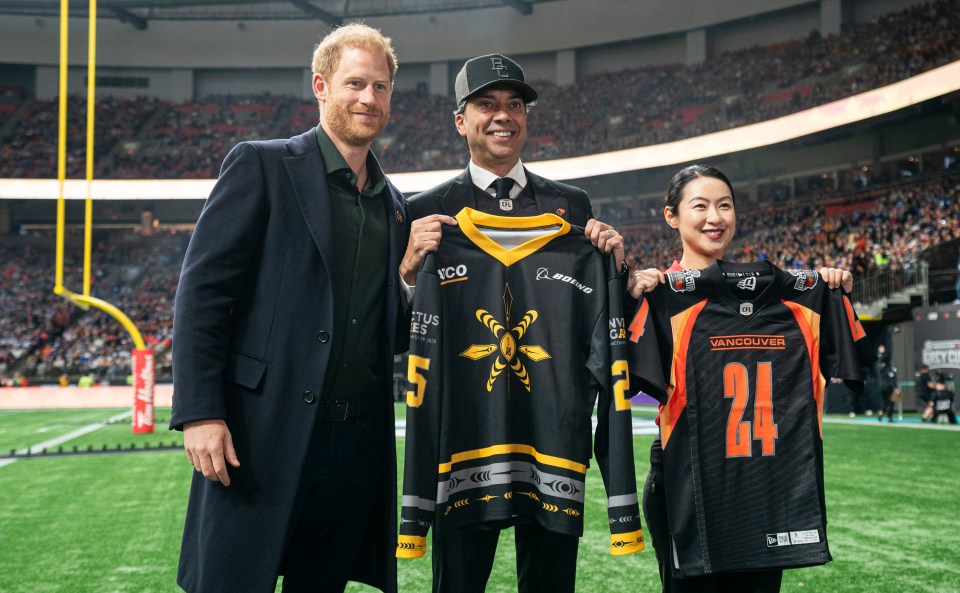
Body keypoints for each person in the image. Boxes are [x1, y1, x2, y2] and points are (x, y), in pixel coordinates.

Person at [170, 24, 408, 593]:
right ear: (321, 86)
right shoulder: (261, 165)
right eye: (355, 83)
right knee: (230, 582)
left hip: (354, 444)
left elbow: (387, 332)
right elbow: (203, 293)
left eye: (380, 87)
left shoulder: (393, 203)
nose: (369, 99)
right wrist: (201, 411)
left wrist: (411, 288)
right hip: (261, 431)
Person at [397, 54, 633, 593]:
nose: (503, 115)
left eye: (514, 105)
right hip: (463, 440)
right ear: (461, 120)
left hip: (551, 438)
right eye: (486, 104)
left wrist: (617, 266)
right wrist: (408, 276)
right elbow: (398, 333)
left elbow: (597, 313)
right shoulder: (425, 211)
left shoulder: (571, 206)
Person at [628, 165, 855, 593]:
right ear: (671, 216)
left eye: (725, 205)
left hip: (767, 482)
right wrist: (633, 295)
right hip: (688, 480)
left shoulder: (796, 294)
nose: (715, 217)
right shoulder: (657, 295)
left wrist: (828, 285)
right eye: (701, 206)